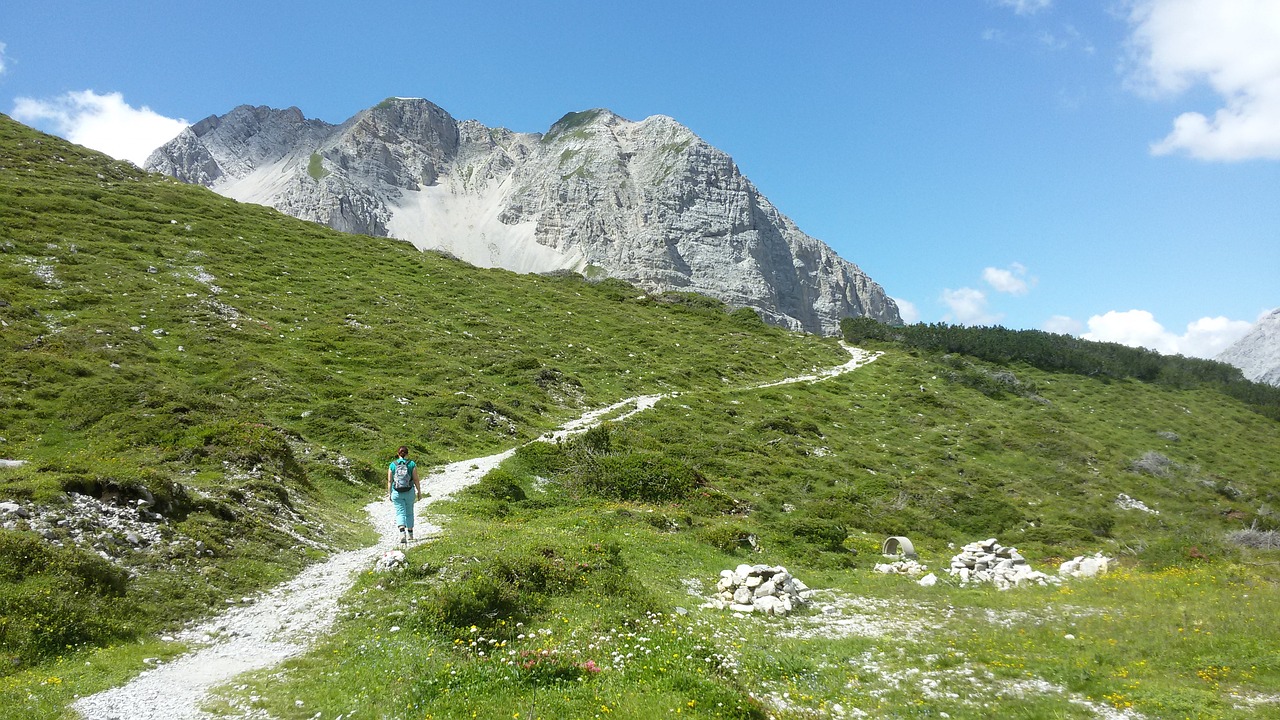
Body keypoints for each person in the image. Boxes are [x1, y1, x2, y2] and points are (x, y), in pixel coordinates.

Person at [387, 445, 421, 543]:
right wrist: (419, 492)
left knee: (400, 512)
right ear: (407, 454)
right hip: (409, 491)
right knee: (409, 512)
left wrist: (389, 493)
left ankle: (402, 532)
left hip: (397, 492)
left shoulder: (392, 465)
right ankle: (410, 534)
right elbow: (416, 479)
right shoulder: (411, 464)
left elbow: (390, 480)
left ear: (398, 454)